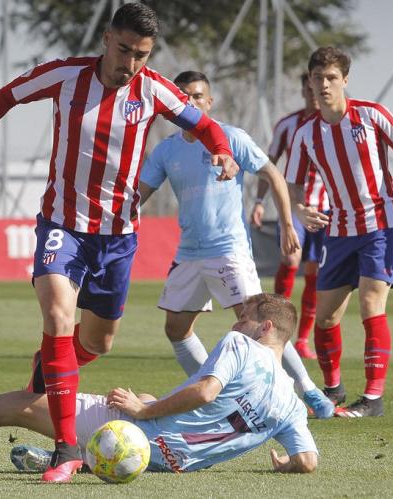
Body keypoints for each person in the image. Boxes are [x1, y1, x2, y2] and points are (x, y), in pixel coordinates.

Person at [0, 4, 239, 482]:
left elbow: (203, 124)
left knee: (98, 341)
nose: (130, 64)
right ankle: (65, 448)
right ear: (105, 39)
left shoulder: (153, 88)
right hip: (62, 225)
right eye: (123, 51)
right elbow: (4, 97)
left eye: (141, 55)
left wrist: (221, 150)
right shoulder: (65, 76)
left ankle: (49, 366)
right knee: (57, 316)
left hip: (118, 236)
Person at [0, 293, 318, 475]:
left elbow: (205, 393)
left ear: (264, 328)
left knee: (21, 404)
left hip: (139, 434)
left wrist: (142, 411)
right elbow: (309, 460)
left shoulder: (242, 348)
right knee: (128, 403)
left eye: (244, 318)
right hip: (167, 464)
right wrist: (285, 467)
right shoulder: (292, 405)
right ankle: (80, 457)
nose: (237, 324)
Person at [138, 71, 333, 419]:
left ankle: (307, 390)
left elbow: (272, 174)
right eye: (182, 96)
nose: (190, 102)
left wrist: (288, 223)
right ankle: (217, 393)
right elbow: (142, 192)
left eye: (197, 96)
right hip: (189, 253)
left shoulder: (231, 137)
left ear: (209, 102)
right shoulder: (167, 150)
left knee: (260, 324)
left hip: (228, 249)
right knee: (176, 329)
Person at [285, 46, 393, 417]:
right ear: (310, 82)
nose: (324, 84)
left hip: (381, 223)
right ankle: (333, 391)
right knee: (325, 316)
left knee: (370, 303)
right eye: (318, 78)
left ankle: (373, 399)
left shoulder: (372, 116)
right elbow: (293, 184)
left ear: (345, 80)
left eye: (331, 78)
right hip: (340, 229)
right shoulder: (305, 134)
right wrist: (299, 207)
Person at [250, 72, 327, 360]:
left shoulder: (334, 125)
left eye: (319, 90)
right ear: (304, 91)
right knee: (290, 259)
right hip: (295, 207)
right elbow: (267, 164)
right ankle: (280, 331)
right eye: (310, 90)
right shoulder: (288, 125)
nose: (315, 96)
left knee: (314, 273)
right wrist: (258, 200)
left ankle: (303, 339)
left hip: (325, 210)